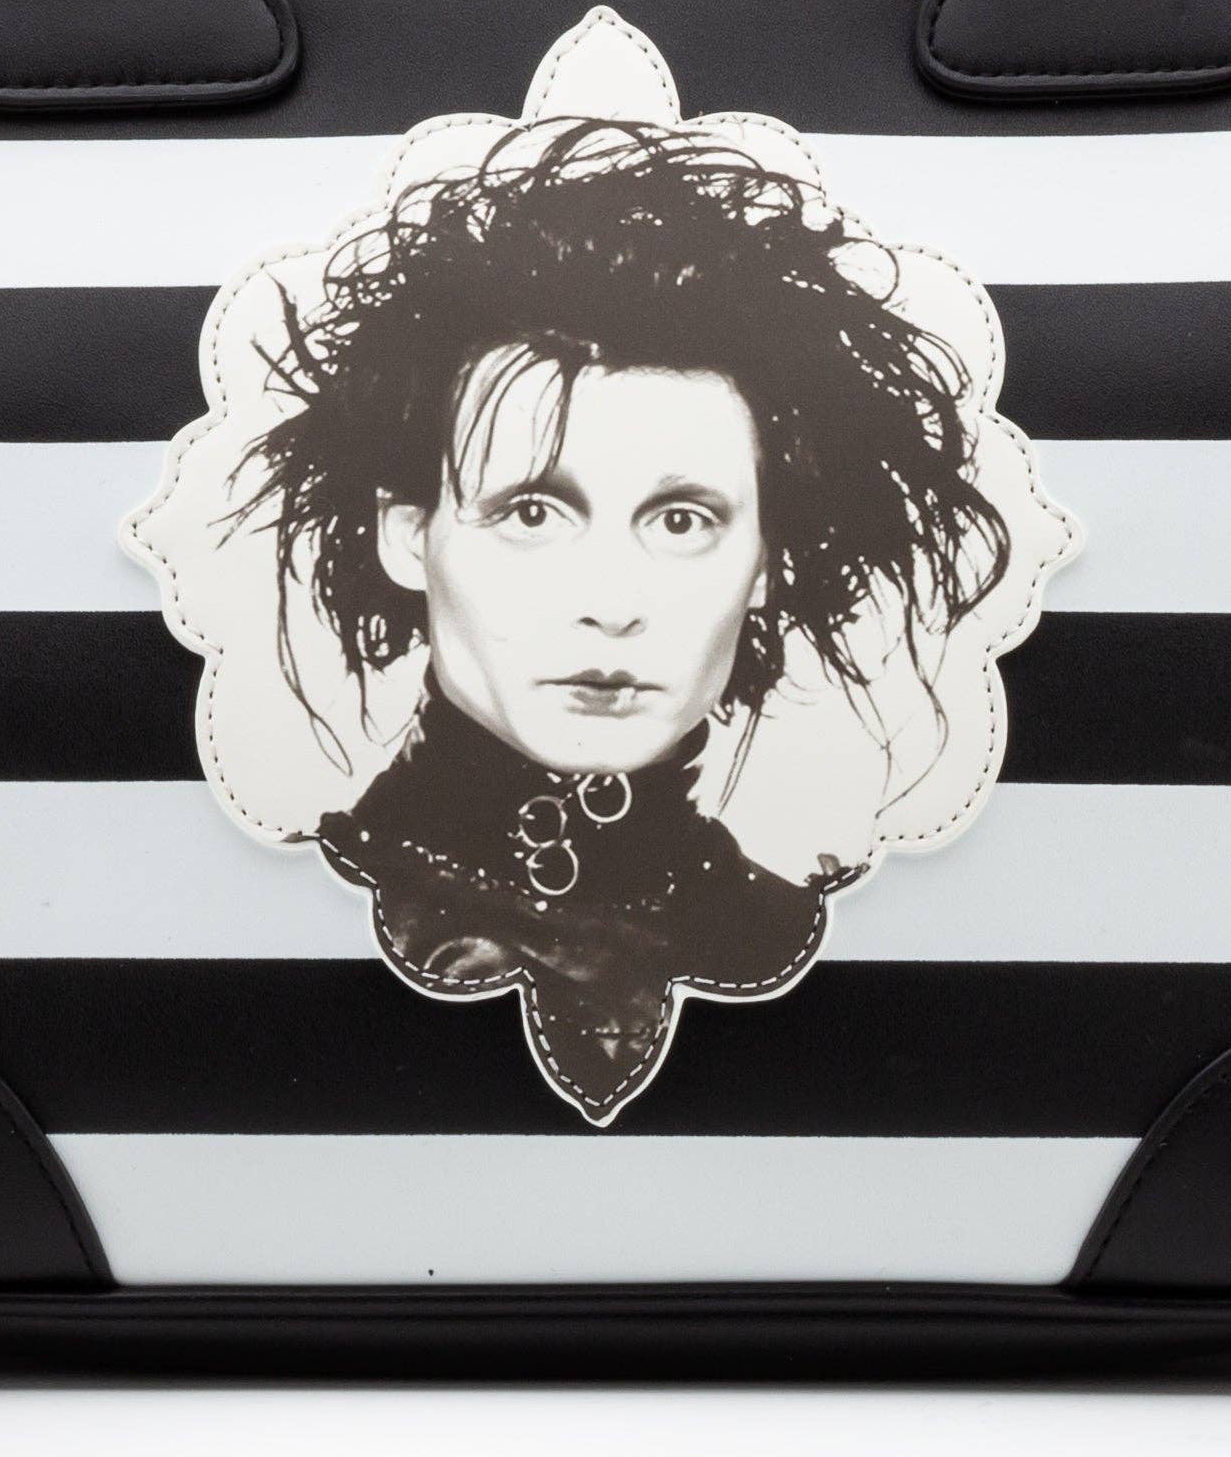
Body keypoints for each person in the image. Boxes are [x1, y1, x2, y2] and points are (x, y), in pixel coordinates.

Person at [244, 116, 1016, 1122]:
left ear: (768, 562)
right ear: (406, 537)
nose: (610, 605)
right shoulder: (264, 921)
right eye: (531, 513)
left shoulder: (805, 940)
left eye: (683, 521)